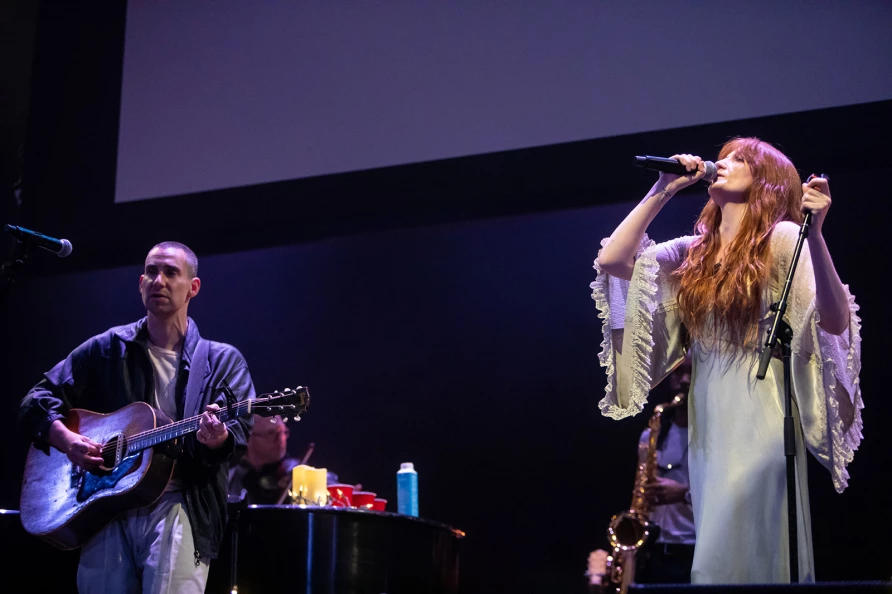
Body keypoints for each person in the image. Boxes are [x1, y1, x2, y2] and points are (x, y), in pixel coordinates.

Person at [591, 138, 862, 584]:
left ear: (767, 182)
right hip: (711, 420)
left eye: (741, 159)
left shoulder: (782, 239)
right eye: (726, 154)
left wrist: (814, 236)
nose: (724, 162)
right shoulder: (693, 253)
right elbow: (614, 260)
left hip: (765, 416)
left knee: (748, 546)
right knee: (717, 556)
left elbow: (832, 321)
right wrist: (664, 187)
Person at [18, 241, 255, 594]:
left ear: (193, 287)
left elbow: (238, 434)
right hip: (106, 508)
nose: (158, 280)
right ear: (140, 283)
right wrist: (68, 442)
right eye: (151, 272)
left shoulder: (222, 361)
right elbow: (35, 399)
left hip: (181, 507)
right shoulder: (108, 347)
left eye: (171, 272)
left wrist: (217, 437)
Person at [636, 357, 695, 584]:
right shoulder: (651, 436)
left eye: (691, 372)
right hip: (656, 550)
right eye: (678, 373)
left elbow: (730, 500)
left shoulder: (718, 440)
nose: (684, 380)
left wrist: (685, 494)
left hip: (695, 550)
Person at [228, 415, 299, 505]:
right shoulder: (230, 481)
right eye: (271, 433)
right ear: (248, 437)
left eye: (283, 432)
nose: (281, 439)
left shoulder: (296, 473)